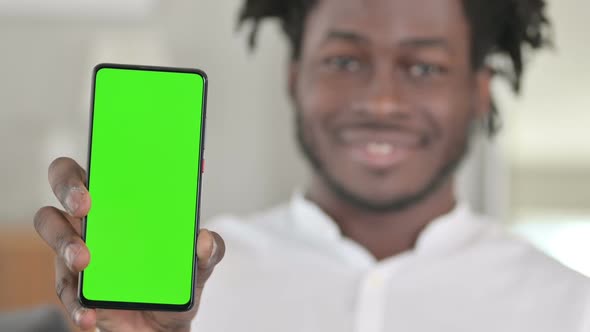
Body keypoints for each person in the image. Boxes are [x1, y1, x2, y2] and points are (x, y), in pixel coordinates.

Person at [34, 0, 590, 331]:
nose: (381, 102)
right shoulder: (190, 281)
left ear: (478, 91)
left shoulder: (570, 309)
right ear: (295, 76)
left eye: (424, 67)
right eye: (344, 60)